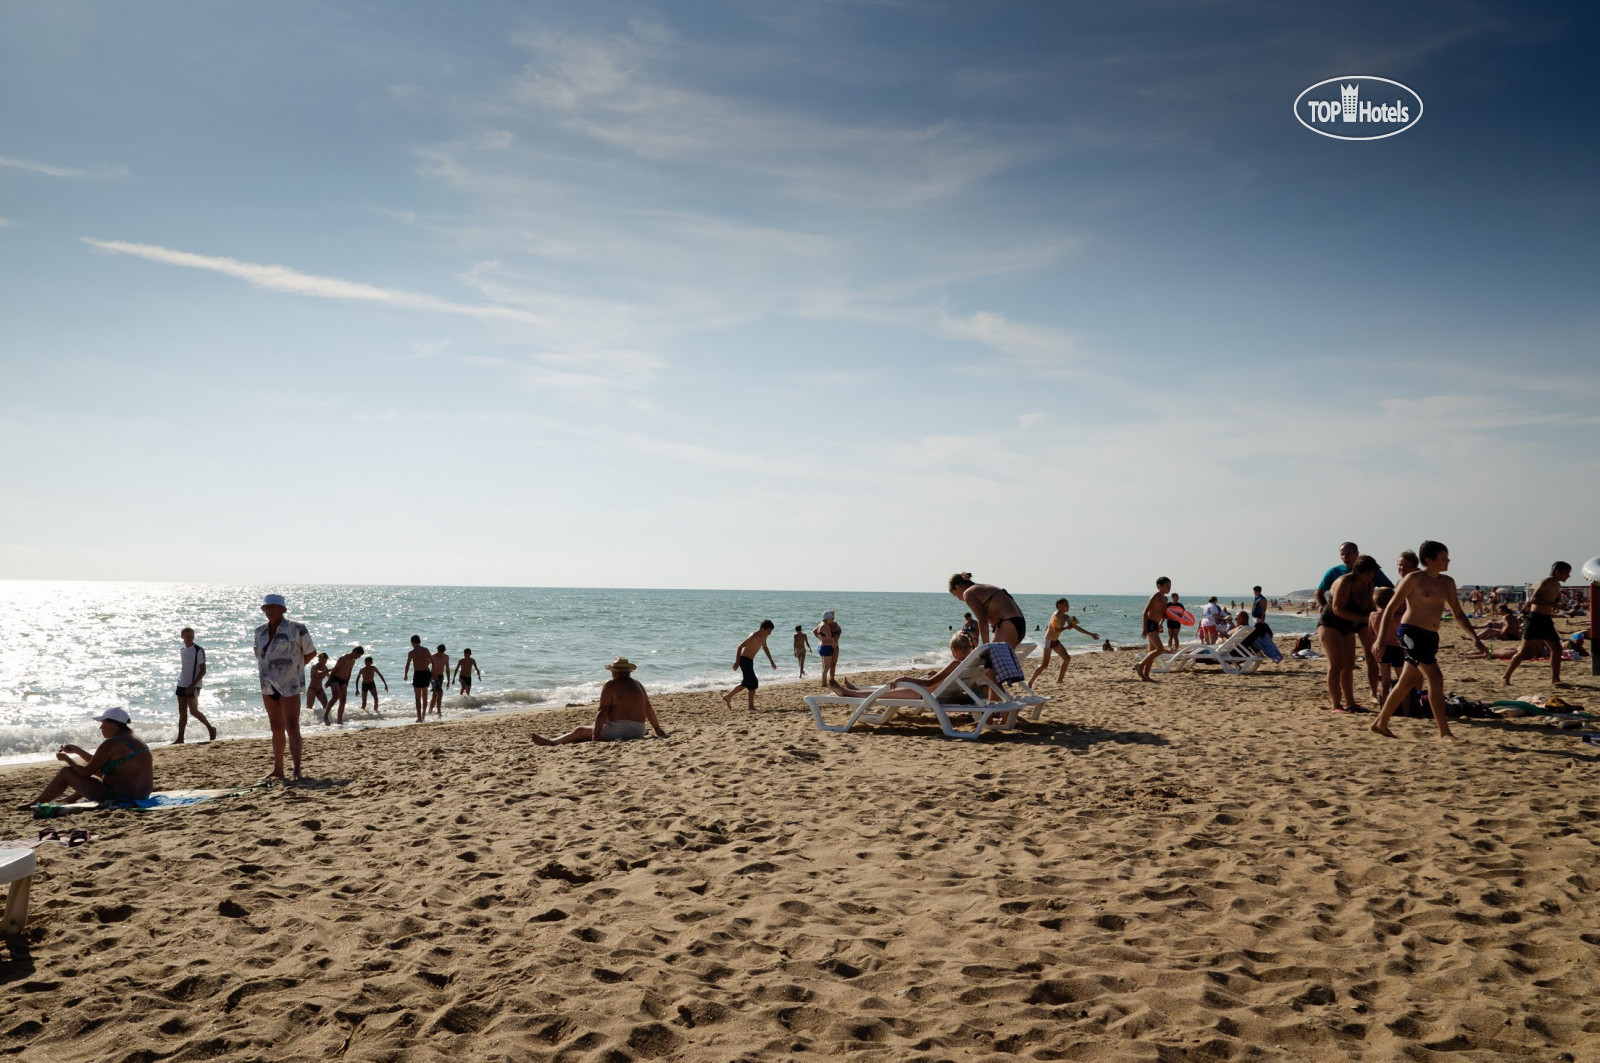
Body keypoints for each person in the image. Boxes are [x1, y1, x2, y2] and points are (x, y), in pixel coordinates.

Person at [1371, 541, 1488, 741]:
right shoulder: (1413, 579)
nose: (1448, 561)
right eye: (1443, 558)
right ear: (1429, 560)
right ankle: (1444, 732)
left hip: (1431, 636)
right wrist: (1380, 639)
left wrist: (1475, 638)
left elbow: (1458, 614)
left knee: (1406, 682)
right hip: (1410, 633)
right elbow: (1390, 609)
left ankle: (1380, 723)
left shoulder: (1448, 582)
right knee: (1435, 678)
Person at [24, 707, 153, 809]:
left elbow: (86, 772)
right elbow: (99, 764)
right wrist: (77, 750)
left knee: (67, 772)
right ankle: (71, 798)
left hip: (122, 797)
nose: (100, 727)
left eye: (103, 723)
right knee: (100, 775)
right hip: (141, 795)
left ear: (115, 724)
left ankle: (33, 804)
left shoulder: (111, 743)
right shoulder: (135, 739)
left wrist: (67, 758)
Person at [253, 593, 317, 781]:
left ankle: (297, 770)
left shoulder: (296, 629)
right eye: (266, 608)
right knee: (276, 728)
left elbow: (311, 652)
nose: (269, 611)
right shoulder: (260, 631)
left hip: (289, 685)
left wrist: (294, 670)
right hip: (267, 685)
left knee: (292, 727)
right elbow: (260, 656)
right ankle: (278, 769)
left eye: (273, 607)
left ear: (282, 609)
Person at [532, 657, 667, 745]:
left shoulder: (610, 685)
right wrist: (657, 728)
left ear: (615, 672)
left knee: (579, 731)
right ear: (628, 672)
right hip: (639, 730)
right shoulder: (638, 684)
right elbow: (648, 708)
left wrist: (596, 733)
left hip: (619, 731)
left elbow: (602, 711)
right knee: (586, 733)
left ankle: (552, 742)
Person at [830, 632, 981, 701]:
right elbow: (946, 679)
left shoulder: (955, 664)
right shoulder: (966, 664)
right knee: (887, 690)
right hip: (931, 692)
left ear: (954, 650)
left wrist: (905, 678)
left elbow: (928, 683)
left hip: (922, 693)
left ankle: (846, 693)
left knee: (884, 693)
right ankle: (856, 689)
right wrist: (939, 673)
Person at [1319, 555, 1380, 713]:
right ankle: (1336, 704)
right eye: (1368, 573)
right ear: (1358, 571)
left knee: (1349, 665)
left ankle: (1351, 702)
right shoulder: (1345, 582)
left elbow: (1369, 605)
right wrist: (1362, 618)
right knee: (1336, 664)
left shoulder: (1369, 585)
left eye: (1372, 573)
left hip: (1348, 626)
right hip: (1330, 624)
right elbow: (1337, 609)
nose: (1370, 577)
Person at [1502, 562, 1573, 687]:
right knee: (1524, 651)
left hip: (1546, 619)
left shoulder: (1557, 585)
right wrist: (1554, 604)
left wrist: (1559, 603)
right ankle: (1506, 677)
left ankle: (1555, 679)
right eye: (1567, 573)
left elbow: (1554, 600)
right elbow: (1534, 599)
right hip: (1535, 619)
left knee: (1557, 649)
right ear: (1558, 572)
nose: (1569, 576)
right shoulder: (1546, 582)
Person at [1030, 599, 1099, 684]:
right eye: (1067, 605)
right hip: (1048, 641)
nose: (1069, 606)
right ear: (1060, 606)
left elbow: (1076, 627)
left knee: (1067, 658)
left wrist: (1091, 634)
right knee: (1044, 665)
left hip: (1055, 641)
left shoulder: (1066, 617)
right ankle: (1030, 682)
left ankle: (1060, 680)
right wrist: (1067, 627)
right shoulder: (1056, 616)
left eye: (1068, 605)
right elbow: (1056, 630)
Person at [947, 573, 1025, 647]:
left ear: (958, 587)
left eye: (955, 595)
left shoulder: (968, 593)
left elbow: (982, 620)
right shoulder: (981, 587)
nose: (958, 599)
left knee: (991, 657)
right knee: (1005, 660)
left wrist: (985, 646)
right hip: (1020, 623)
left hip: (1007, 624)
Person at [721, 620, 777, 710]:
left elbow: (765, 648)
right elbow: (740, 647)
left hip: (750, 661)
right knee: (752, 682)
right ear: (763, 629)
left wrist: (771, 661)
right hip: (744, 660)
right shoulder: (753, 637)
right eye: (769, 631)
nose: (770, 633)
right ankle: (750, 706)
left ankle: (728, 696)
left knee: (747, 683)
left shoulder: (763, 637)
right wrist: (737, 662)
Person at [174, 627, 216, 743]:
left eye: (191, 636)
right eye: (187, 636)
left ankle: (211, 729)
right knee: (182, 711)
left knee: (193, 711)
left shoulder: (198, 650)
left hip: (194, 684)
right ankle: (180, 738)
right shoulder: (182, 650)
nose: (189, 638)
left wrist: (193, 685)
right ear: (182, 637)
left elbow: (203, 670)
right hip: (182, 683)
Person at [1135, 578, 1172, 682]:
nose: (1168, 588)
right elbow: (1145, 612)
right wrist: (1145, 628)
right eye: (1166, 586)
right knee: (1160, 649)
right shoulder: (1155, 597)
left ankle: (1146, 676)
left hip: (1156, 625)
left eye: (1170, 586)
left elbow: (1163, 614)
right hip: (1150, 624)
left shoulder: (1165, 599)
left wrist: (1173, 617)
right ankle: (1140, 665)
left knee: (1152, 651)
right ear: (1159, 586)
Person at [1370, 586, 1404, 701]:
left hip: (1381, 648)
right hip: (1396, 648)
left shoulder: (1372, 616)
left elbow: (1371, 632)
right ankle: (1406, 708)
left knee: (1385, 682)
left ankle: (1384, 705)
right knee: (1401, 681)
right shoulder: (1396, 616)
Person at [326, 645, 363, 724]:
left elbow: (349, 672)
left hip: (344, 681)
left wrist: (347, 682)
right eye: (358, 655)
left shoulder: (353, 661)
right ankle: (325, 715)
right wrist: (328, 681)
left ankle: (339, 720)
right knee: (335, 697)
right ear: (355, 652)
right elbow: (335, 670)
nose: (358, 657)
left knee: (343, 700)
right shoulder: (342, 659)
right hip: (335, 679)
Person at [403, 635, 433, 723]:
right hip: (426, 673)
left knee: (417, 697)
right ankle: (423, 714)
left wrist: (405, 674)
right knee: (425, 695)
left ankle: (419, 718)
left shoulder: (411, 653)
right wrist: (432, 672)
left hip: (418, 674)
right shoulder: (425, 650)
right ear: (419, 641)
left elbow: (407, 664)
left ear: (412, 643)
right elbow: (432, 661)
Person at [813, 611, 841, 687]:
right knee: (826, 667)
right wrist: (834, 647)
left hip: (821, 646)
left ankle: (824, 682)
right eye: (831, 618)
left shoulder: (821, 624)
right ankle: (824, 683)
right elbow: (829, 639)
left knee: (824, 666)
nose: (832, 619)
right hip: (827, 647)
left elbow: (814, 631)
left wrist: (821, 639)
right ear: (828, 618)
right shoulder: (826, 626)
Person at [308, 653, 333, 725]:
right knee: (309, 708)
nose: (325, 661)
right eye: (323, 659)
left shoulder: (325, 667)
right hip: (312, 689)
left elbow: (330, 677)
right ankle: (309, 723)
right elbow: (317, 674)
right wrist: (326, 671)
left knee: (326, 705)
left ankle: (326, 719)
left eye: (326, 659)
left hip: (319, 689)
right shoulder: (314, 667)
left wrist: (331, 683)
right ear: (319, 659)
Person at [429, 644, 450, 716]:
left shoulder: (446, 657)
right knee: (440, 693)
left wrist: (449, 681)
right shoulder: (433, 656)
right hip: (433, 677)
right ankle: (438, 711)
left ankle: (430, 711)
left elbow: (447, 669)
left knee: (435, 695)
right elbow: (426, 665)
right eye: (439, 652)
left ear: (444, 651)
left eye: (441, 652)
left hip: (441, 676)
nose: (440, 654)